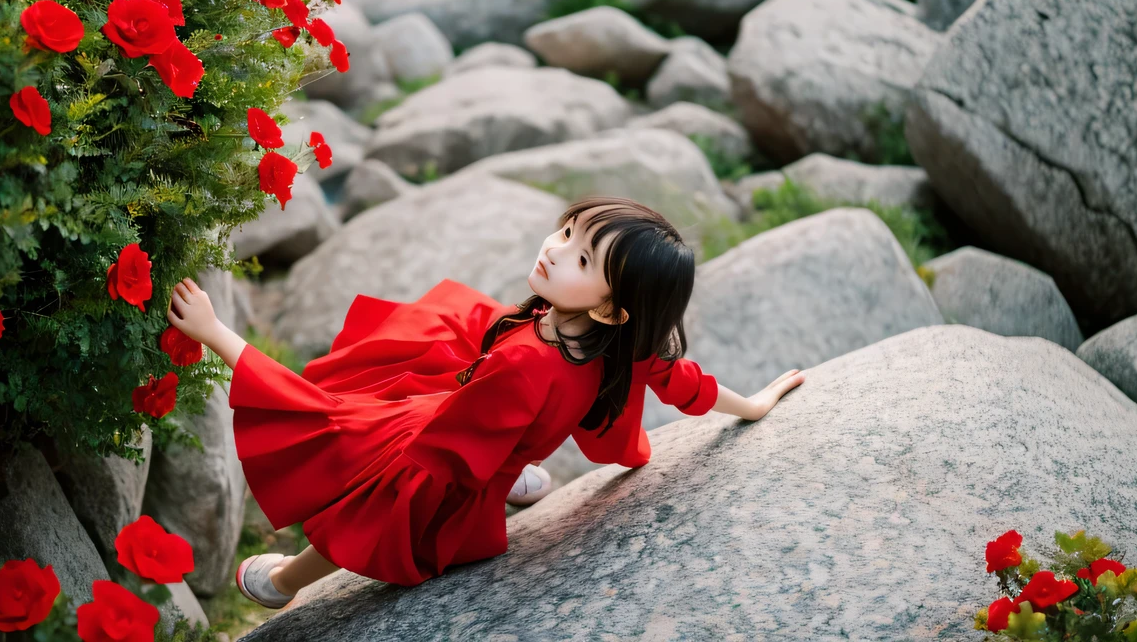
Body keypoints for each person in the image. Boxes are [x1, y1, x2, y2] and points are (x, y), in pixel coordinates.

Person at [165, 196, 805, 610]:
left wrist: (217, 333)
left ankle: (283, 584)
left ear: (611, 305)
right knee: (444, 342)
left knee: (359, 486)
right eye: (566, 230)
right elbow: (688, 384)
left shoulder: (525, 363)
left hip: (456, 441)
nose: (554, 249)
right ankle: (511, 473)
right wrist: (755, 404)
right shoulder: (618, 344)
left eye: (581, 255)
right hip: (492, 421)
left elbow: (421, 470)